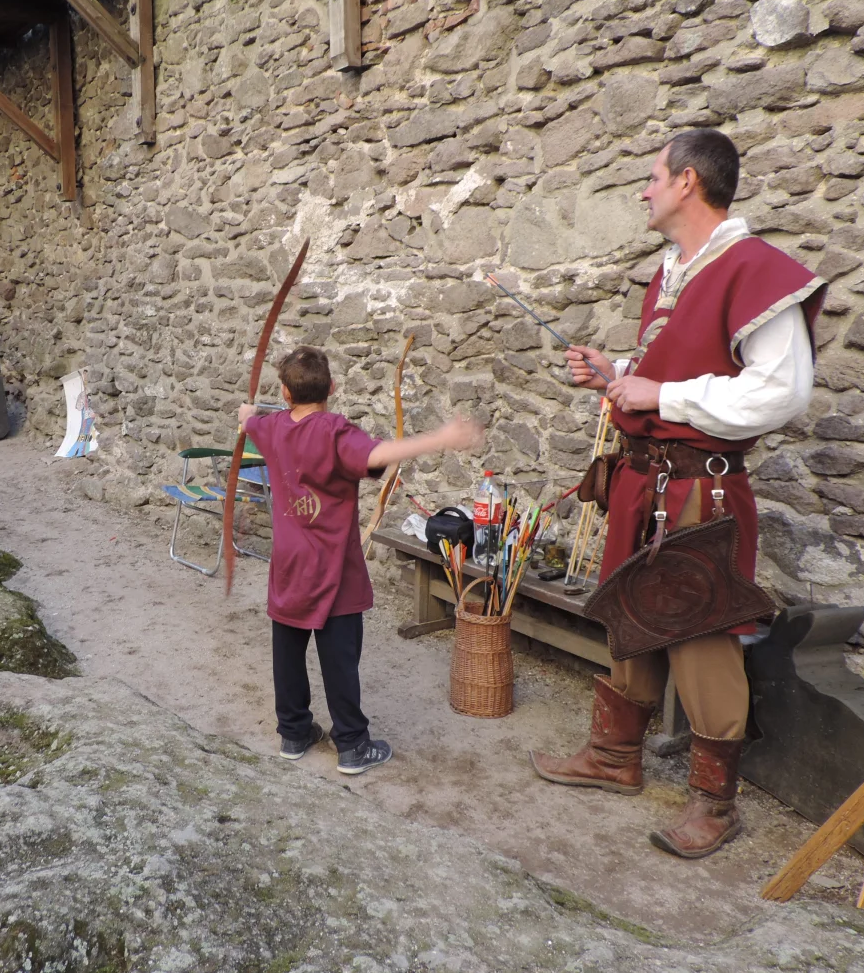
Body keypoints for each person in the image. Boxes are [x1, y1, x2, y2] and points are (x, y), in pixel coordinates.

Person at [530, 128, 826, 858]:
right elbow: (683, 371)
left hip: (700, 490)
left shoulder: (754, 268)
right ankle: (613, 756)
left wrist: (658, 392)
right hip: (644, 478)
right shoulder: (674, 272)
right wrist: (618, 375)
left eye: (654, 177)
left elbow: (780, 393)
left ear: (688, 181)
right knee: (627, 613)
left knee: (700, 634)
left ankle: (715, 804)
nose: (644, 190)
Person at [239, 346, 484, 774]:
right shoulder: (335, 431)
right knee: (339, 657)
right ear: (332, 387)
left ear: (285, 393)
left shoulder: (272, 427)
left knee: (287, 651)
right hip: (334, 568)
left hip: (290, 566)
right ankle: (352, 745)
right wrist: (442, 438)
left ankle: (294, 733)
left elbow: (250, 422)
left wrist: (247, 415)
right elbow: (375, 456)